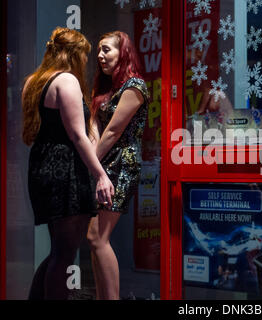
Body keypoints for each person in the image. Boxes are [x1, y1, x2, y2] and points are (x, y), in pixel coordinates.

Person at [22, 27, 114, 300]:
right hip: (66, 170)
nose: (87, 60)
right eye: (84, 55)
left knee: (58, 251)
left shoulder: (34, 82)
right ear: (73, 54)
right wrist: (101, 175)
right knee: (64, 254)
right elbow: (77, 135)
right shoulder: (67, 81)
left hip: (42, 166)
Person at [88, 31, 150, 300]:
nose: (100, 56)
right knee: (94, 240)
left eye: (106, 50)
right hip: (102, 161)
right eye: (99, 51)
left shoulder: (134, 86)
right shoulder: (106, 88)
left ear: (122, 53)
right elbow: (94, 125)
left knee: (97, 238)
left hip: (121, 163)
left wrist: (89, 161)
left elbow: (113, 132)